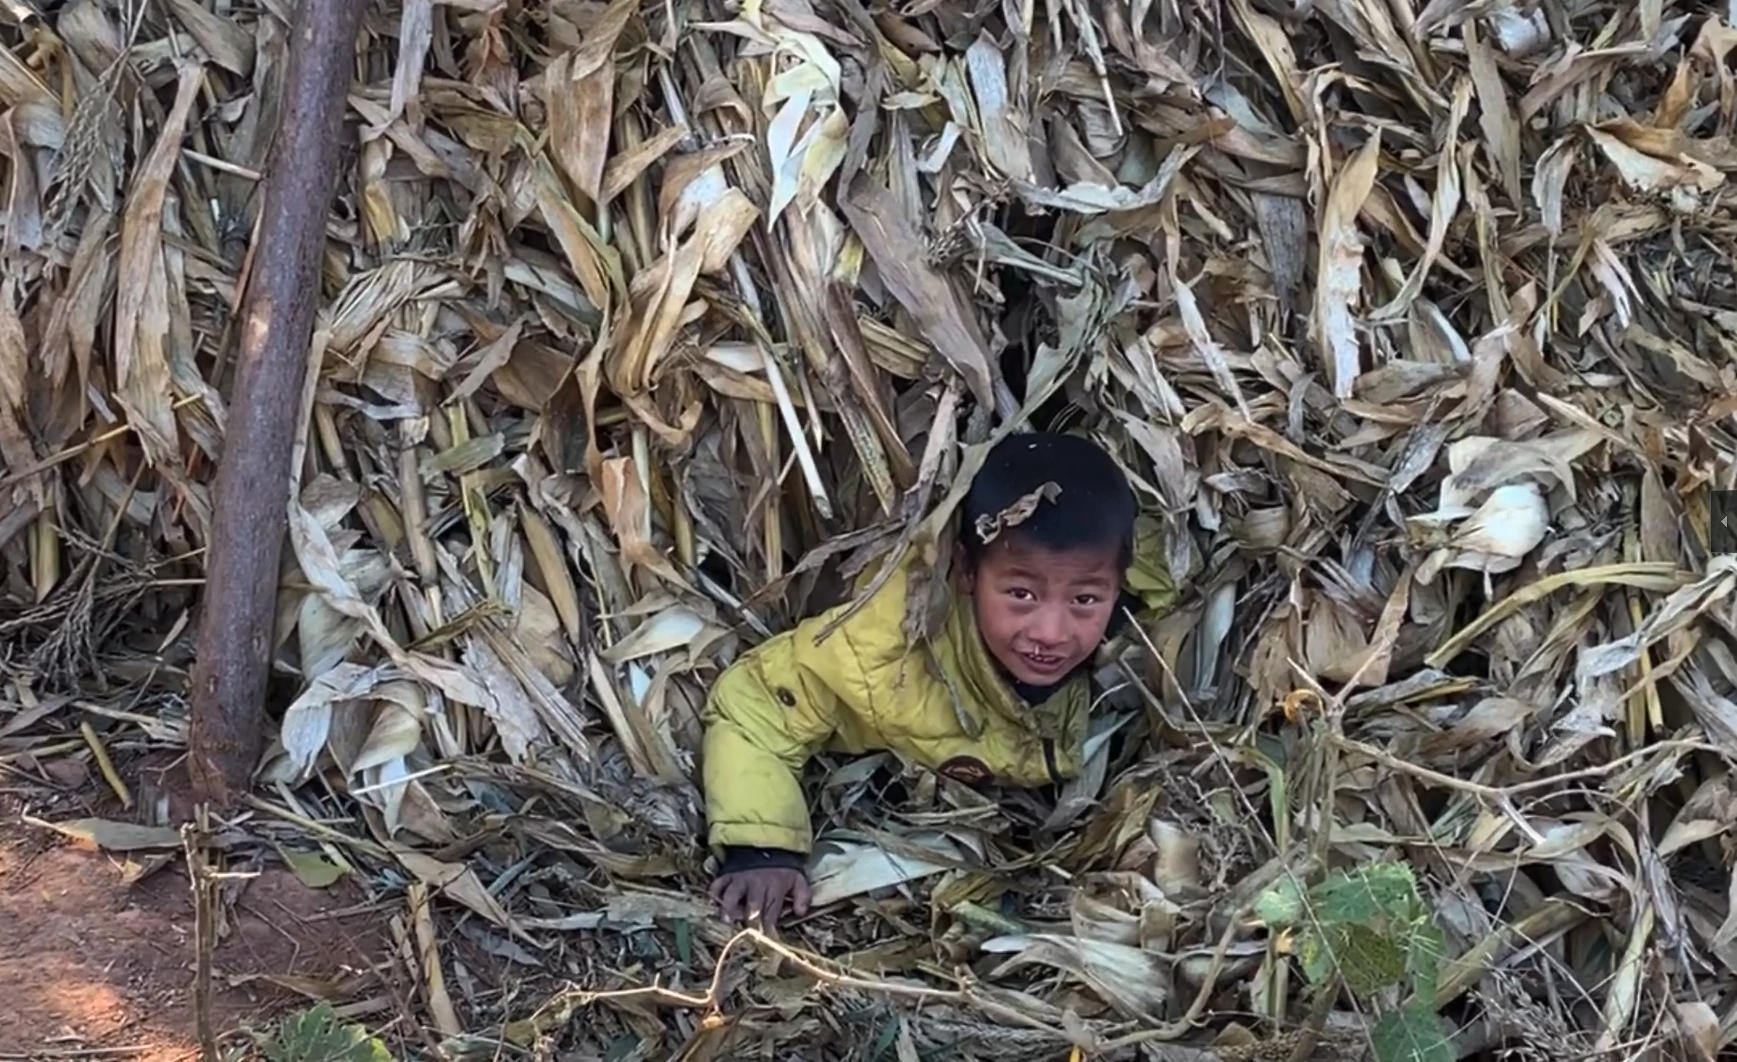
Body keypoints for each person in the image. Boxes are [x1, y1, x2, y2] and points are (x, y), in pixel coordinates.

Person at [701, 431, 1166, 930]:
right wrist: (762, 849)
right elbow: (754, 705)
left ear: (1119, 584)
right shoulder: (886, 655)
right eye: (1021, 595)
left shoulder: (1149, 616)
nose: (1050, 633)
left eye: (1085, 601)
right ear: (966, 571)